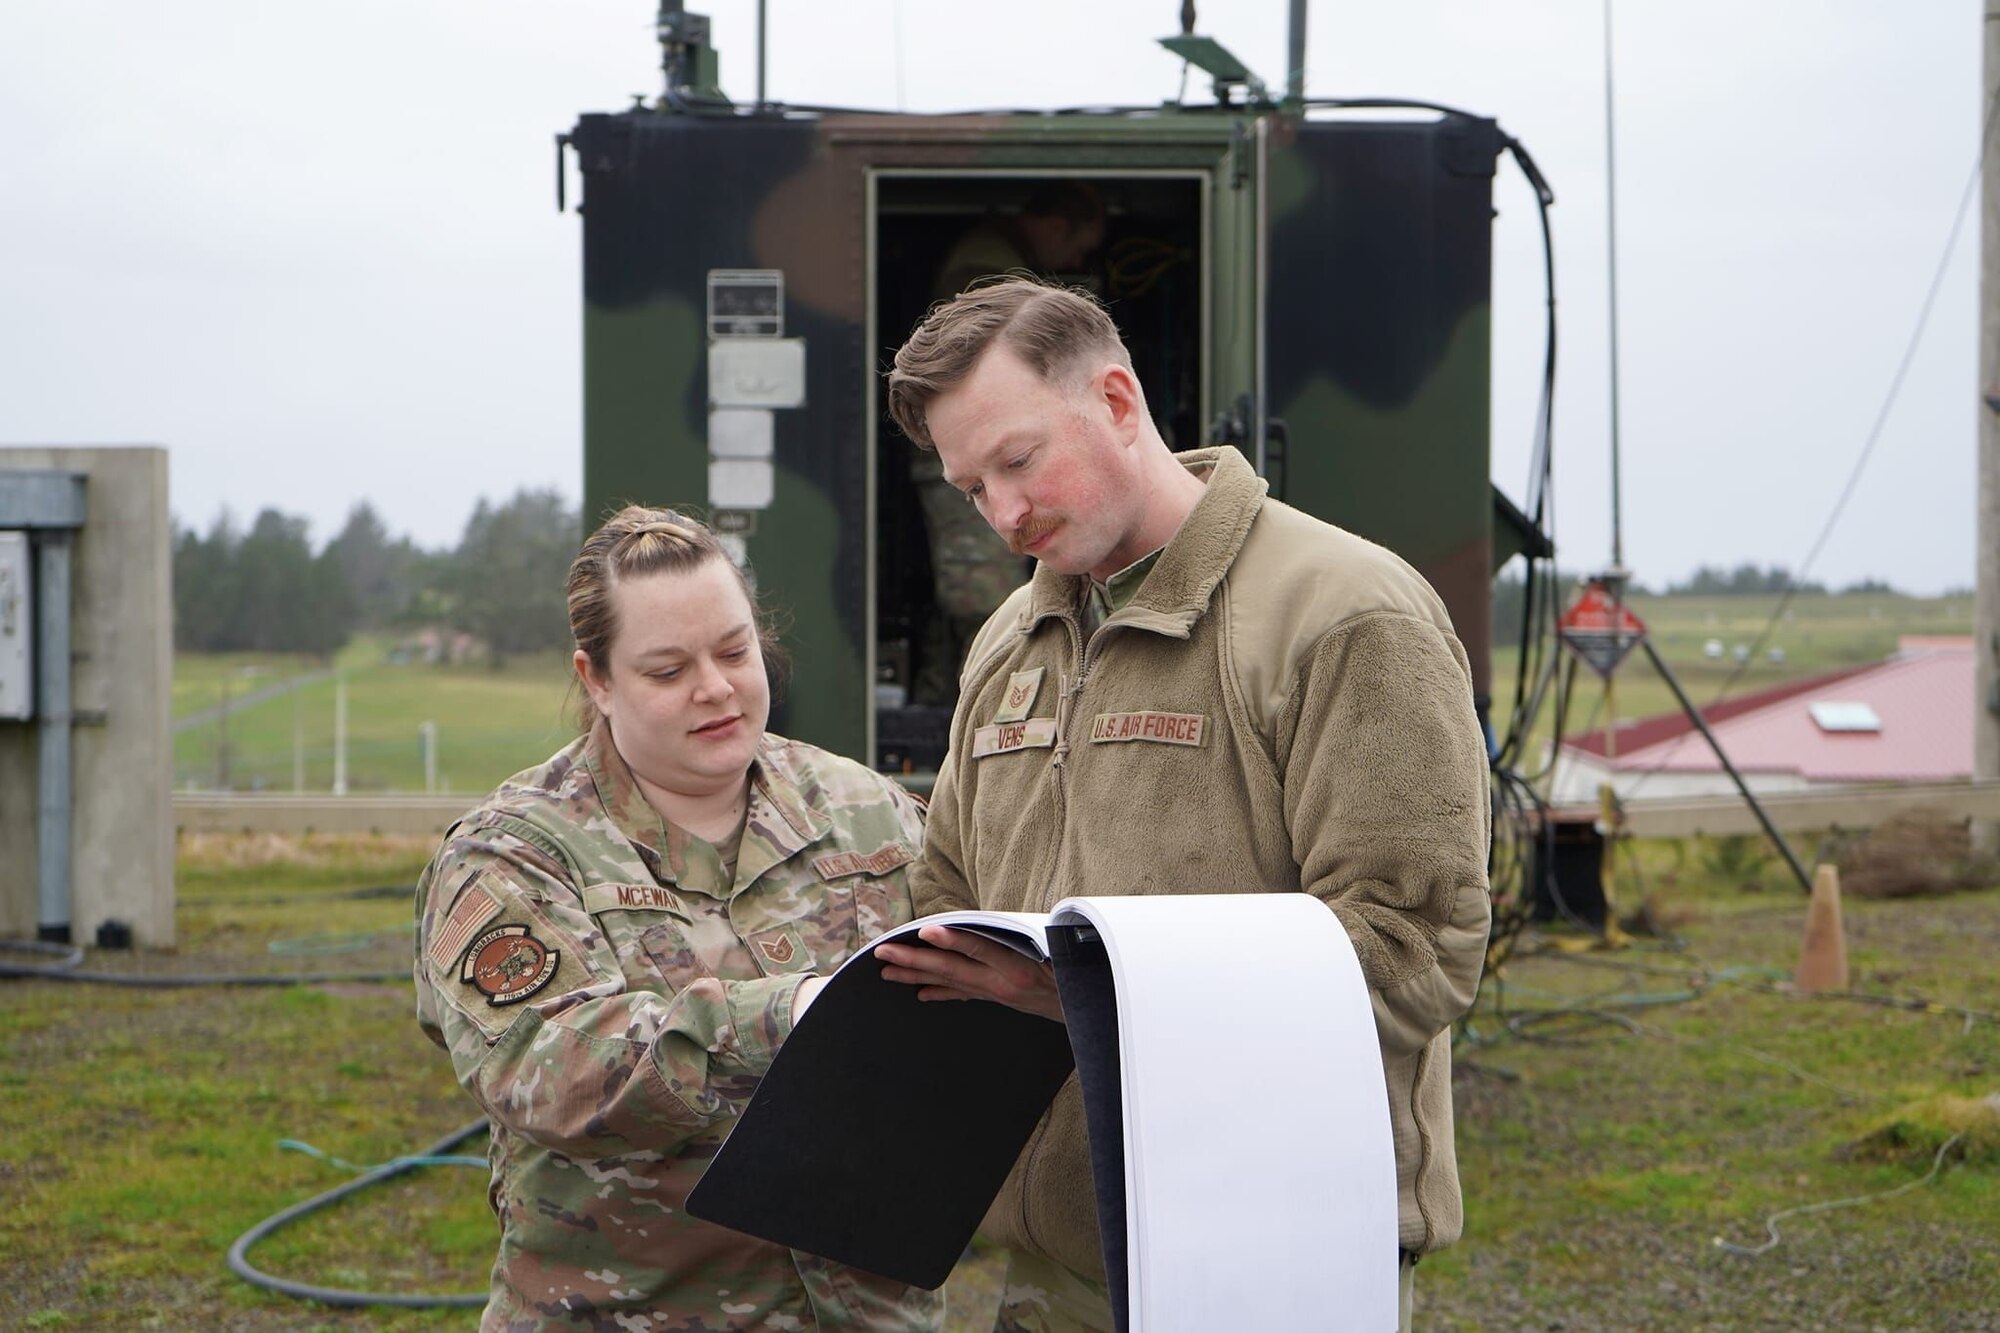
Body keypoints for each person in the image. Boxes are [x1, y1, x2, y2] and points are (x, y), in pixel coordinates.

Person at [876, 278, 1492, 1333]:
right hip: (1055, 1256)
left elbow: (1414, 947)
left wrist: (1080, 995)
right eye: (971, 487)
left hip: (1267, 1251)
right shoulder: (1006, 643)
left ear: (1116, 401)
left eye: (1018, 462)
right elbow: (953, 898)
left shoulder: (1343, 612)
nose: (1004, 515)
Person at [412, 505, 944, 1332]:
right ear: (596, 678)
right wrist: (791, 1014)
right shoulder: (513, 853)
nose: (716, 688)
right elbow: (543, 1066)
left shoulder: (867, 812)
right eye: (667, 670)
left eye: (735, 651)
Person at [906, 183, 1108, 706]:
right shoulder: (989, 271)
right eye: (1079, 246)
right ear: (1056, 226)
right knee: (981, 596)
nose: (1077, 260)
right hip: (967, 453)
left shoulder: (992, 257)